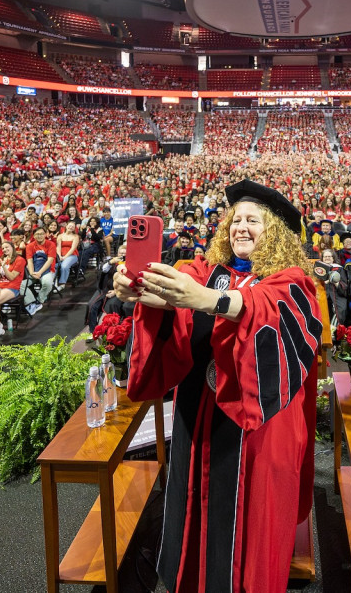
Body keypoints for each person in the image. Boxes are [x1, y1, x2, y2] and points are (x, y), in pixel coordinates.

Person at [114, 179, 322, 593]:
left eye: (253, 221)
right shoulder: (208, 272)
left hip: (259, 427)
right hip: (200, 416)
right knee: (197, 507)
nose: (241, 227)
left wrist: (206, 300)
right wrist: (142, 291)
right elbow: (177, 289)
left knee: (251, 521)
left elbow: (266, 308)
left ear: (275, 231)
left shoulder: (291, 280)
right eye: (236, 220)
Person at [0, 242, 25, 337]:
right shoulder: (0, 259)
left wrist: (4, 266)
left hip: (12, 287)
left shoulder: (20, 260)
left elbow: (12, 277)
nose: (4, 249)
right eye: (3, 248)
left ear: (12, 247)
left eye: (7, 247)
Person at [23, 226, 56, 315]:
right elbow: (29, 261)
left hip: (47, 270)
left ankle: (39, 300)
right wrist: (31, 273)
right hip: (34, 271)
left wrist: (40, 273)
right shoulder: (30, 246)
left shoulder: (51, 244)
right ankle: (31, 302)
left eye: (41, 234)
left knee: (47, 283)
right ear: (33, 235)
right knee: (21, 285)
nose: (39, 236)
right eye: (37, 234)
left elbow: (50, 261)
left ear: (45, 234)